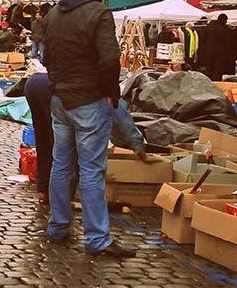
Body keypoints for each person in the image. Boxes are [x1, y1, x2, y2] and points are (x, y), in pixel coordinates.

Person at [42, 0, 135, 258]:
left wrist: (58, 83)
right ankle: (97, 238)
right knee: (91, 169)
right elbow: (109, 59)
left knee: (61, 164)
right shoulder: (99, 13)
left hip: (60, 99)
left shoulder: (54, 13)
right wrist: (110, 92)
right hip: (88, 100)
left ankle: (58, 226)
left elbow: (46, 56)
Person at [24, 72, 158, 205]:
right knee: (66, 149)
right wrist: (139, 149)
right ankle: (63, 198)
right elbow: (125, 120)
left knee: (44, 139)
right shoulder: (109, 94)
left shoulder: (92, 84)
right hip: (52, 90)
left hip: (35, 83)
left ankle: (44, 191)